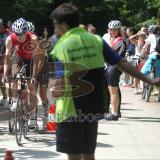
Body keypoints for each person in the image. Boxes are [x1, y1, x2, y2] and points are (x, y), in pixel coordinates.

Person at [49, 3, 160, 160]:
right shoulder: (96, 40)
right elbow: (122, 63)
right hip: (93, 107)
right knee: (89, 155)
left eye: (55, 25)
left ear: (64, 25)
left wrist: (53, 92)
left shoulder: (61, 46)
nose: (54, 29)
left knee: (73, 156)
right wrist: (148, 79)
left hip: (69, 110)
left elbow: (60, 85)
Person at [3, 18, 45, 130]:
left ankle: (32, 117)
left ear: (26, 32)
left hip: (32, 59)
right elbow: (7, 58)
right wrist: (5, 73)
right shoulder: (10, 39)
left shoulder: (33, 39)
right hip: (18, 57)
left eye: (21, 34)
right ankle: (16, 100)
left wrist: (34, 75)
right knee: (15, 78)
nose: (18, 36)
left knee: (31, 88)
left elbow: (37, 59)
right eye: (16, 33)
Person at [26, 21, 49, 131]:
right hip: (32, 70)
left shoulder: (39, 42)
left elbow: (41, 60)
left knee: (43, 95)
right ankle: (33, 118)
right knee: (32, 95)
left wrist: (35, 74)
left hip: (43, 71)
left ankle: (46, 119)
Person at [104, 20, 126, 121]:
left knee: (113, 91)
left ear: (118, 30)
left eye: (114, 30)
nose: (111, 32)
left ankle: (114, 113)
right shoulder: (113, 39)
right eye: (110, 30)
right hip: (111, 66)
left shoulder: (119, 40)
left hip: (114, 67)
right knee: (114, 89)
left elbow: (107, 51)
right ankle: (115, 111)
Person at [0, 18, 12, 106]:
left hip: (9, 59)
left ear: (1, 26)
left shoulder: (8, 35)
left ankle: (11, 99)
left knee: (10, 81)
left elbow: (8, 51)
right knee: (1, 82)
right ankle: (5, 96)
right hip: (0, 59)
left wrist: (2, 62)